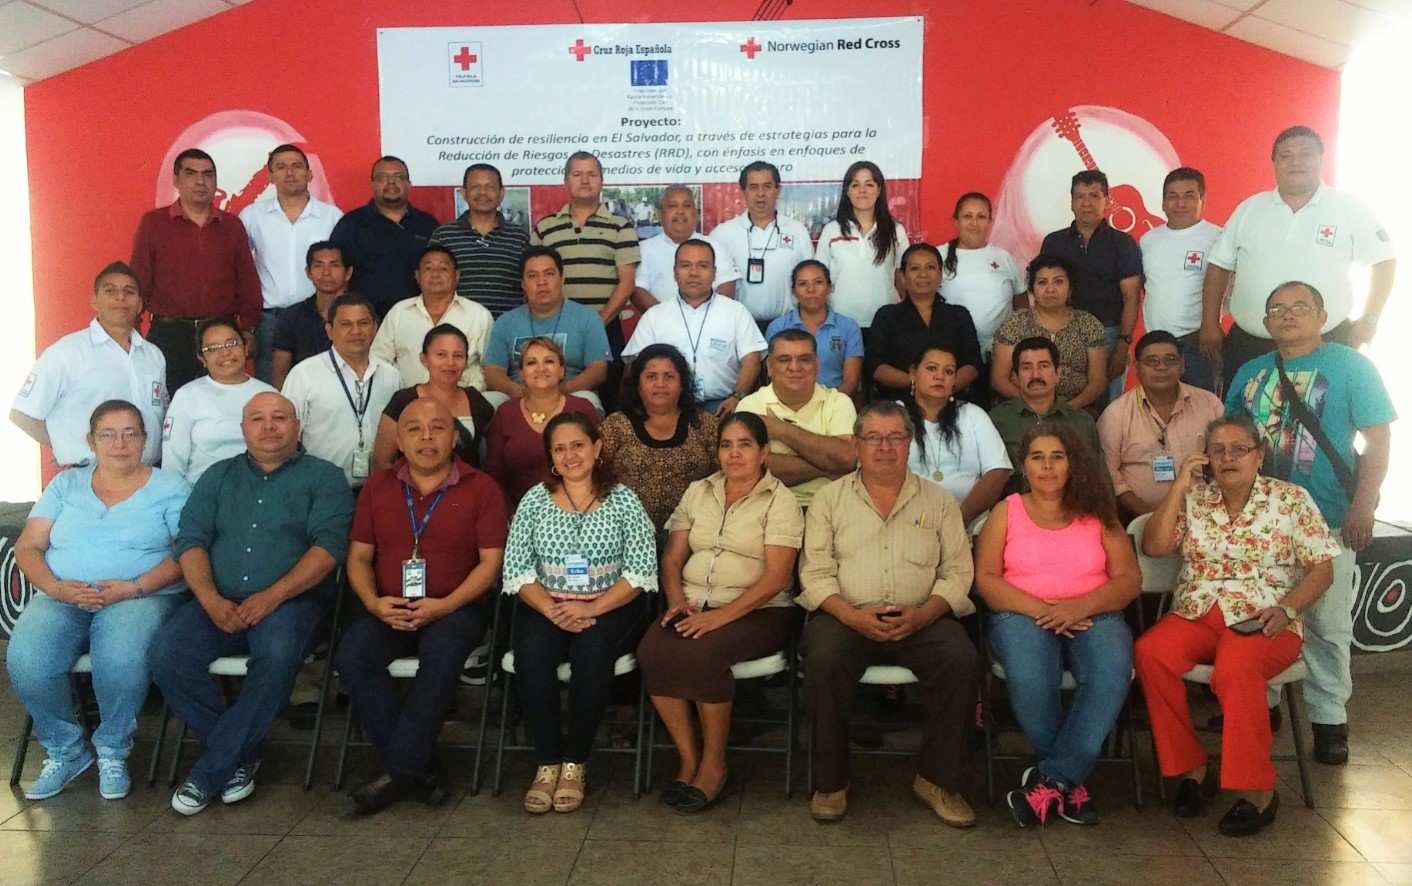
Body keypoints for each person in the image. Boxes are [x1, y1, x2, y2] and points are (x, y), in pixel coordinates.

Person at [148, 392, 354, 815]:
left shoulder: (325, 477)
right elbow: (191, 541)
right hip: (217, 600)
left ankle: (211, 771)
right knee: (167, 654)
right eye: (257, 419)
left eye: (280, 417)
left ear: (297, 426)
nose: (269, 426)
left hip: (294, 603)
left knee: (276, 656)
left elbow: (329, 549)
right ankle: (238, 756)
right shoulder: (217, 476)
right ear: (243, 429)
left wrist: (273, 595)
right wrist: (208, 598)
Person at [1135, 415, 1339, 837]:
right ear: (1206, 459)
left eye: (1239, 449)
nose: (1228, 458)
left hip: (1265, 619)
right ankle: (1193, 771)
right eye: (1218, 450)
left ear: (1259, 456)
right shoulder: (1195, 499)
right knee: (1150, 653)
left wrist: (1287, 610)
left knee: (1236, 666)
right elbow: (1153, 546)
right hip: (1198, 612)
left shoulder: (1290, 499)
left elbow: (1322, 569)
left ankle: (1258, 791)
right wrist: (1179, 486)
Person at [1225, 280, 1394, 765]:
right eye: (1277, 308)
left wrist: (1364, 505)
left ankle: (1328, 719)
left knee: (1327, 625)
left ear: (1322, 316)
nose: (1288, 314)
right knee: (1259, 614)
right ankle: (1263, 705)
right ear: (1265, 321)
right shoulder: (1251, 372)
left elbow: (1378, 442)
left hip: (1331, 518)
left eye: (1300, 306)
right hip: (1261, 524)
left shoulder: (1351, 366)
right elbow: (1229, 439)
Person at [798, 401, 980, 826]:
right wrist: (850, 616)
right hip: (846, 616)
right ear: (856, 445)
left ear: (909, 444)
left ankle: (937, 781)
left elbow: (958, 571)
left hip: (922, 617)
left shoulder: (939, 501)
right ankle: (831, 782)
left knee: (961, 659)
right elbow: (815, 572)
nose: (884, 447)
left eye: (895, 437)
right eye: (874, 438)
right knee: (822, 659)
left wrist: (925, 614)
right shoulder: (828, 499)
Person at [8, 401, 189, 801]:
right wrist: (56, 588)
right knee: (27, 659)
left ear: (144, 440)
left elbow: (187, 554)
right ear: (91, 441)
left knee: (121, 655)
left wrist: (134, 587)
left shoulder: (171, 488)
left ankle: (112, 751)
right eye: (108, 434)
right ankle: (65, 750)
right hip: (63, 596)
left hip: (140, 596)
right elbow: (28, 546)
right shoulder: (65, 485)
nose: (119, 444)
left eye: (130, 433)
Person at [335, 397, 508, 815]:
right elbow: (358, 557)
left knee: (443, 656)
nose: (426, 437)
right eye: (414, 429)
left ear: (455, 437)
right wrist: (374, 603)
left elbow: (491, 564)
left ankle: (397, 770)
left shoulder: (482, 488)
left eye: (437, 428)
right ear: (399, 439)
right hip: (389, 606)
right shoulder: (377, 487)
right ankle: (419, 767)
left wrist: (445, 605)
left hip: (457, 607)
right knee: (352, 654)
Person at [974, 422, 1140, 828]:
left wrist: (1078, 607)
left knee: (1110, 672)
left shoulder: (1098, 512)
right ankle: (1069, 784)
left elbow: (1128, 580)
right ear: (1024, 466)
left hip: (1094, 612)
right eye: (1037, 457)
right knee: (1032, 677)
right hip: (1020, 613)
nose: (1047, 466)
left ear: (1072, 464)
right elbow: (986, 580)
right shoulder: (1006, 510)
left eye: (1057, 457)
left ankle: (1052, 780)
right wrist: (1043, 611)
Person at [637, 412, 803, 813]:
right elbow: (672, 558)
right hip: (694, 603)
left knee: (703, 654)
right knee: (652, 651)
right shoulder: (699, 491)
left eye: (745, 444)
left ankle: (714, 764)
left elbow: (777, 578)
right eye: (726, 445)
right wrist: (677, 602)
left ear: (763, 452)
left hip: (759, 610)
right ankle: (688, 758)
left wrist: (718, 618)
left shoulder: (781, 500)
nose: (734, 453)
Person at [501, 412, 657, 813]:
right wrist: (554, 610)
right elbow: (517, 569)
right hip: (546, 603)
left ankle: (575, 762)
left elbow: (641, 571)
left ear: (596, 447)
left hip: (612, 604)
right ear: (550, 457)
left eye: (578, 445)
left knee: (591, 652)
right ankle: (547, 761)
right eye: (559, 449)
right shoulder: (534, 501)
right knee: (532, 655)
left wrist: (592, 607)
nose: (570, 455)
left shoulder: (624, 500)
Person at [1199, 126, 1396, 391]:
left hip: (1326, 342)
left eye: (1305, 154)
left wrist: (1370, 318)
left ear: (1320, 159)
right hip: (1251, 345)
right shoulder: (1250, 209)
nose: (1295, 162)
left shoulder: (1349, 208)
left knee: (1324, 414)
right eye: (1286, 156)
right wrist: (1210, 322)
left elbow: (1384, 261)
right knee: (1242, 415)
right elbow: (1219, 266)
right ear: (1274, 163)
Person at [11, 262, 167, 468]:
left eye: (129, 292)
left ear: (139, 304)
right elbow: (23, 414)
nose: (120, 297)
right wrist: (65, 447)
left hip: (148, 474)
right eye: (110, 291)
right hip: (89, 474)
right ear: (94, 301)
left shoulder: (153, 356)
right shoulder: (66, 353)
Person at [130, 148, 262, 391]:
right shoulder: (154, 224)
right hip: (169, 334)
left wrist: (248, 329)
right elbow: (139, 280)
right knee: (166, 402)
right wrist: (133, 330)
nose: (200, 182)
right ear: (176, 180)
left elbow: (247, 281)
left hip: (221, 334)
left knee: (224, 400)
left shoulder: (231, 226)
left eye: (208, 175)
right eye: (191, 174)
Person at [530, 151, 640, 411]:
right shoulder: (545, 228)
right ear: (566, 181)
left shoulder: (620, 226)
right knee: (551, 399)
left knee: (609, 404)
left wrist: (595, 324)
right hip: (554, 329)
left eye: (592, 174)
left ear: (601, 181)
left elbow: (627, 283)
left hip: (605, 328)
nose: (585, 180)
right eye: (577, 174)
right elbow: (533, 275)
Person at [623, 240, 766, 415]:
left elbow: (752, 359)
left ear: (714, 273)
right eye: (685, 265)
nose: (693, 273)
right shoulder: (654, 316)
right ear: (675, 273)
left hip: (722, 405)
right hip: (667, 407)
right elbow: (635, 364)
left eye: (702, 266)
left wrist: (736, 397)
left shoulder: (736, 312)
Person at [239, 144, 342, 383]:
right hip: (270, 321)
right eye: (281, 167)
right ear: (270, 176)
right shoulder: (252, 216)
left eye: (296, 166)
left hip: (320, 316)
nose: (290, 172)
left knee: (322, 386)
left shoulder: (332, 217)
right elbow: (238, 267)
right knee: (272, 390)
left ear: (309, 174)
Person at [1040, 170, 1143, 405]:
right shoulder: (1053, 243)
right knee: (1061, 404)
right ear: (1071, 202)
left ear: (1106, 200)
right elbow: (1043, 291)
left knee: (1108, 409)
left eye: (1095, 196)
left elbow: (1131, 298)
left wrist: (1122, 346)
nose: (1086, 203)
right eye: (1080, 196)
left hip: (1109, 335)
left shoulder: (1123, 244)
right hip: (1062, 333)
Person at [1098, 331, 1223, 524]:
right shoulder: (1116, 414)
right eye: (1152, 361)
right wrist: (1153, 518)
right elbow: (1110, 477)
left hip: (1206, 519)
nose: (1162, 367)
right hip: (1141, 520)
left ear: (1182, 366)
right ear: (1137, 368)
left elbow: (1226, 458)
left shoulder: (1209, 404)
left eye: (1170, 360)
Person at [598, 344, 719, 530]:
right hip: (625, 530)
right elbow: (597, 478)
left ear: (682, 384)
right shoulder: (615, 427)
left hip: (693, 530)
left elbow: (722, 479)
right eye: (651, 376)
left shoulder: (705, 426)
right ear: (638, 385)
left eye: (669, 376)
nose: (660, 384)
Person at [281, 294, 397, 488]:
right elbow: (287, 436)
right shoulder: (304, 374)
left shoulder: (391, 376)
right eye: (345, 324)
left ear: (375, 328)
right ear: (329, 330)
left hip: (377, 487)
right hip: (321, 488)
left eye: (363, 323)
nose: (356, 331)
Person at [736, 330, 857, 509]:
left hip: (833, 507)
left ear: (816, 365)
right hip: (766, 507)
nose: (794, 367)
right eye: (784, 360)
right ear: (769, 366)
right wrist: (828, 466)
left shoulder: (838, 402)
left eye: (804, 359)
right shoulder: (750, 406)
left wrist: (779, 429)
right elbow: (751, 468)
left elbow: (846, 458)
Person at [483, 246, 611, 412]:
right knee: (488, 401)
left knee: (588, 399)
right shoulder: (505, 322)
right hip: (519, 396)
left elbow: (598, 370)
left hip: (570, 393)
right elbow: (493, 372)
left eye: (549, 274)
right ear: (523, 284)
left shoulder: (588, 317)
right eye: (532, 276)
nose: (541, 282)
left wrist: (561, 390)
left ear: (562, 279)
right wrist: (518, 391)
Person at [483, 337, 599, 508]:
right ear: (521, 373)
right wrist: (511, 515)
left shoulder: (582, 408)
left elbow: (599, 465)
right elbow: (494, 475)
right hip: (518, 513)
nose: (541, 368)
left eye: (549, 361)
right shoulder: (506, 413)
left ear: (562, 371)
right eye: (531, 363)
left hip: (579, 510)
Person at [903, 346, 1011, 530]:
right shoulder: (894, 417)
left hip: (969, 525)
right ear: (913, 373)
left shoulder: (973, 415)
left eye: (949, 371)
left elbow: (998, 472)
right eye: (931, 368)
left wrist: (960, 519)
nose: (940, 376)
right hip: (908, 526)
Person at [162, 317, 276, 484]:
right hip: (203, 492)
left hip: (260, 490)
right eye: (213, 348)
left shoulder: (269, 394)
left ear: (245, 348)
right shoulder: (187, 396)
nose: (225, 353)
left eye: (232, 343)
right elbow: (173, 464)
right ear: (202, 358)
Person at [866, 243, 983, 403]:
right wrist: (917, 384)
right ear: (902, 277)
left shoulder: (959, 315)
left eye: (930, 267)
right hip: (899, 404)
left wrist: (943, 388)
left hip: (951, 402)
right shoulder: (887, 316)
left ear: (940, 275)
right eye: (915, 268)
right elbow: (875, 366)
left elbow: (973, 364)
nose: (923, 274)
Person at [1138, 168, 1221, 392]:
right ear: (1163, 203)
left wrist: (1211, 325)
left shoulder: (1218, 238)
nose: (1180, 204)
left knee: (1202, 407)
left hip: (1198, 344)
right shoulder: (1148, 240)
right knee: (1158, 405)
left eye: (1189, 196)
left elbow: (1227, 288)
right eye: (1173, 196)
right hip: (1156, 345)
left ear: (1202, 201)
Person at [372, 325, 494, 472]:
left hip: (467, 485)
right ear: (424, 359)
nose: (450, 363)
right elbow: (382, 462)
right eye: (441, 355)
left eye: (458, 356)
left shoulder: (475, 400)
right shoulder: (404, 401)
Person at [370, 244, 493, 390]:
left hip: (463, 399)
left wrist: (469, 395)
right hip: (407, 400)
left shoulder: (478, 315)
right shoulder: (399, 312)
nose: (435, 274)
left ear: (457, 276)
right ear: (417, 276)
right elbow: (379, 361)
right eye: (428, 268)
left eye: (443, 269)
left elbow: (490, 368)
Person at [992, 256, 1107, 410]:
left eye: (1058, 282)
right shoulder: (1015, 324)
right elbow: (999, 379)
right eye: (1042, 282)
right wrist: (1036, 406)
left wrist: (1067, 409)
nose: (1050, 289)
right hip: (1023, 409)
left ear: (1070, 289)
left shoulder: (1088, 325)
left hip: (1075, 409)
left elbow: (1097, 381)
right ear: (1032, 289)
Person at [330, 156, 439, 317]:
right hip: (366, 320)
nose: (391, 182)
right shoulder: (351, 224)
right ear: (372, 185)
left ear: (409, 184)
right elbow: (336, 273)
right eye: (383, 178)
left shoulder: (427, 223)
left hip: (420, 318)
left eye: (398, 177)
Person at [709, 161, 814, 326]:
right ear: (742, 191)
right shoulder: (722, 234)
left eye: (767, 186)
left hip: (787, 325)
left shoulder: (797, 231)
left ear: (777, 190)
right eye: (753, 187)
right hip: (737, 326)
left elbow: (810, 278)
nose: (761, 194)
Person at [988, 337, 1104, 474]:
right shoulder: (997, 421)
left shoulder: (1082, 421)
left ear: (1058, 374)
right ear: (1015, 377)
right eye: (1026, 368)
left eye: (1043, 366)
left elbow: (1099, 478)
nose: (1035, 375)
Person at [814, 161, 908, 331]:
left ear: (879, 190)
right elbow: (819, 277)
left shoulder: (896, 231)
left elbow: (904, 277)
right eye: (855, 185)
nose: (862, 190)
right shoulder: (831, 230)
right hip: (841, 322)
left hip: (886, 322)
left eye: (869, 184)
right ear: (847, 191)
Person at [430, 163, 529, 319]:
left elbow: (530, 285)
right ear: (464, 193)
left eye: (490, 187)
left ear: (501, 193)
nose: (483, 192)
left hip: (507, 327)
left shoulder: (519, 237)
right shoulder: (443, 236)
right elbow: (431, 285)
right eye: (475, 187)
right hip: (455, 328)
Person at [937, 192, 1026, 362]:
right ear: (956, 221)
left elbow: (1021, 302)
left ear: (989, 221)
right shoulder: (937, 257)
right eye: (967, 216)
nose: (974, 223)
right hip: (952, 351)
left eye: (981, 217)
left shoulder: (1004, 258)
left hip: (1000, 353)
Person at [764, 260, 864, 397]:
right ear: (793, 291)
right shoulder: (778, 327)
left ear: (830, 287)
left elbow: (851, 381)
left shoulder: (848, 327)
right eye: (803, 284)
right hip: (787, 403)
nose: (811, 290)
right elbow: (772, 376)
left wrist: (829, 405)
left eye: (818, 282)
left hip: (834, 403)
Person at [633, 186, 739, 309]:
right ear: (661, 214)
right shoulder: (643, 249)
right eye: (673, 206)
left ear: (696, 214)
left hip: (711, 319)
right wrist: (665, 316)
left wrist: (704, 316)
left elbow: (727, 286)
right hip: (660, 319)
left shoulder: (716, 247)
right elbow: (638, 291)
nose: (680, 211)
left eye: (687, 206)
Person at [271, 242, 352, 389]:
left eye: (334, 265)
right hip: (303, 395)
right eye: (318, 265)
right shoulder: (291, 316)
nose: (326, 273)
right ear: (308, 272)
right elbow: (280, 374)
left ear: (348, 273)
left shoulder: (362, 314)